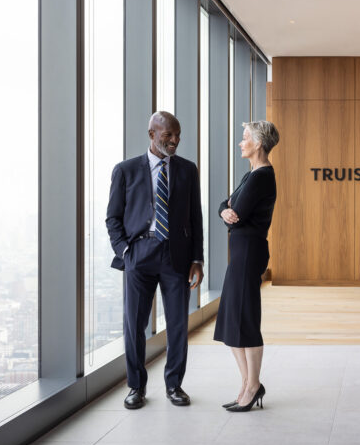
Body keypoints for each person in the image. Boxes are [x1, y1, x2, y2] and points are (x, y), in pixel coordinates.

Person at [106, 111, 204, 409]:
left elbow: (195, 218)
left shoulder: (188, 170)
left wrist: (197, 259)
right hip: (140, 254)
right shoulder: (125, 170)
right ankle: (136, 387)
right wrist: (125, 251)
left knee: (177, 325)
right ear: (152, 134)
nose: (174, 140)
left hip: (176, 256)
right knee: (134, 326)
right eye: (168, 135)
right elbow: (113, 217)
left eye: (177, 135)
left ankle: (174, 385)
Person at [214, 120, 278, 412]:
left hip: (249, 252)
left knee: (246, 319)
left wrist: (228, 209)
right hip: (240, 253)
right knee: (231, 320)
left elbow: (235, 210)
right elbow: (224, 206)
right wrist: (224, 209)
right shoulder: (250, 174)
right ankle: (248, 382)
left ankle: (252, 386)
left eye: (245, 138)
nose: (241, 143)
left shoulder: (262, 177)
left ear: (259, 143)